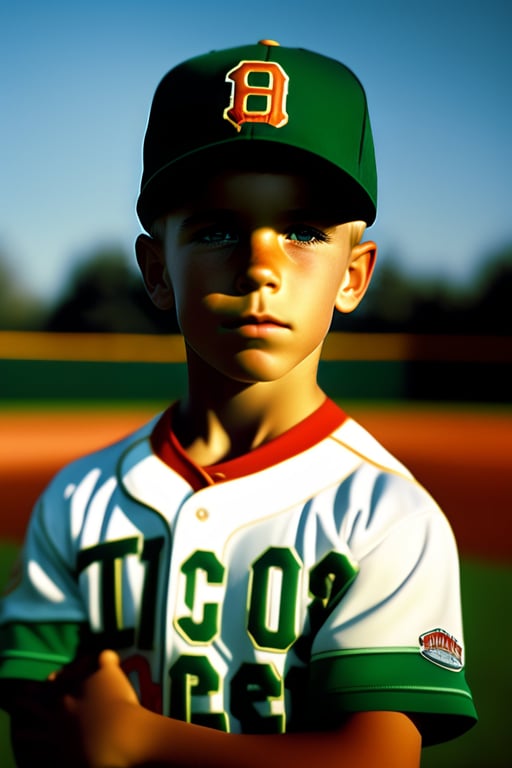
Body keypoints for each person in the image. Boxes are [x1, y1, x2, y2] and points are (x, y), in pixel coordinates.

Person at [0, 40, 477, 767]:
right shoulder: (79, 499)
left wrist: (139, 741)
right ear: (158, 271)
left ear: (355, 275)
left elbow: (380, 758)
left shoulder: (388, 517)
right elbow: (38, 730)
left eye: (303, 230)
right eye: (217, 228)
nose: (260, 264)